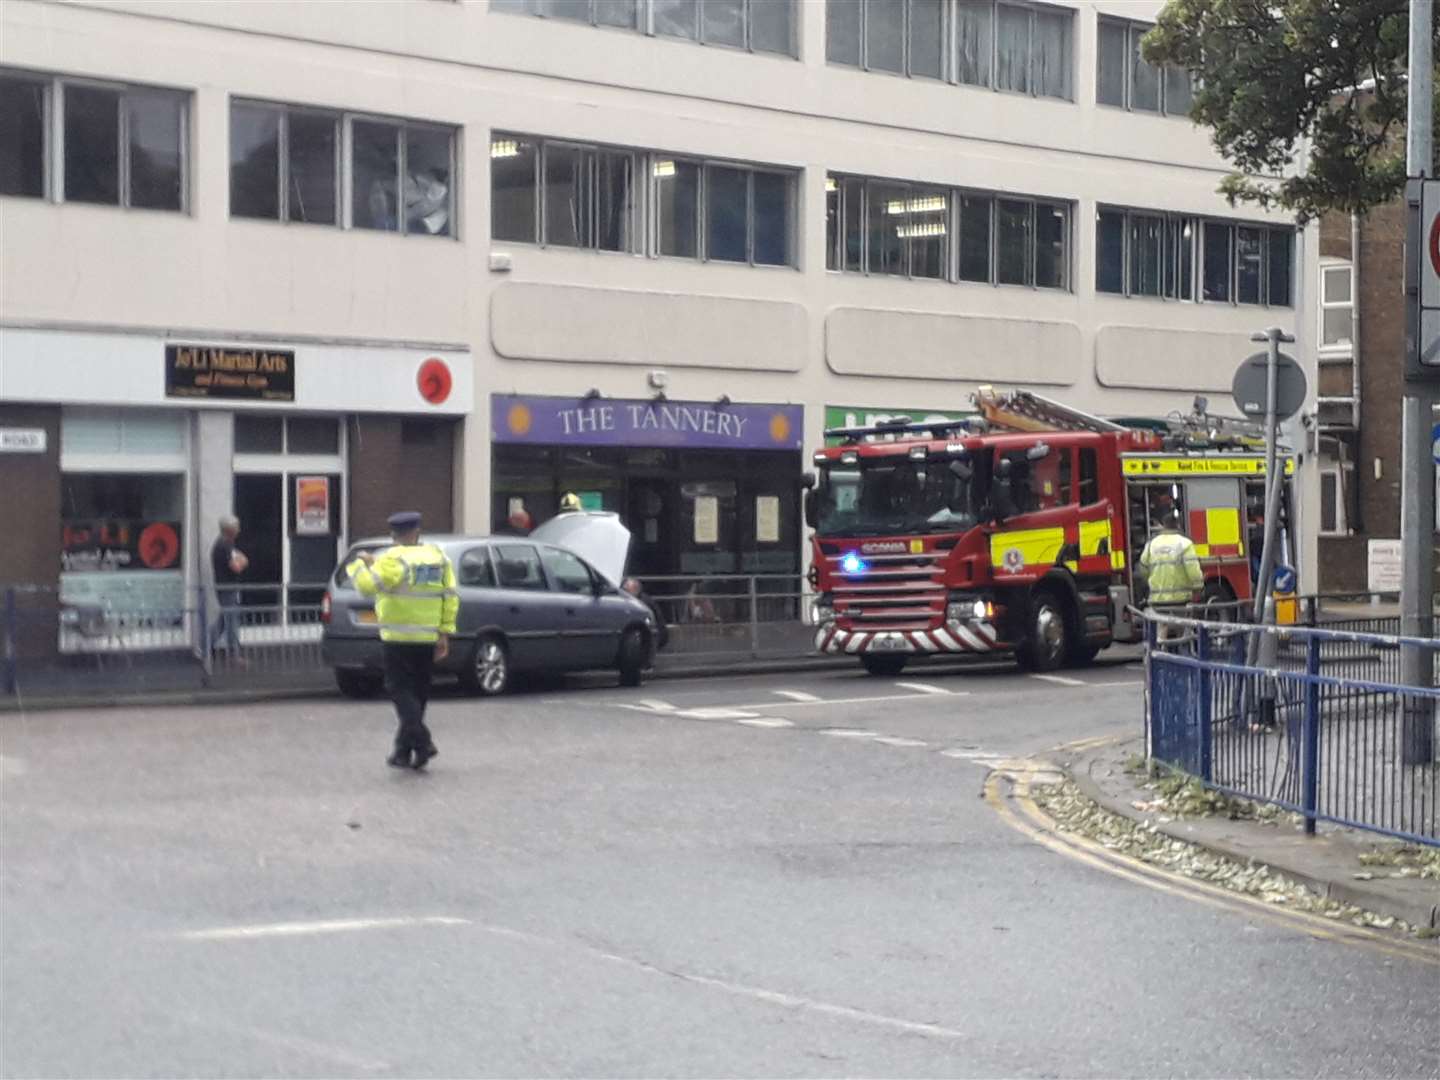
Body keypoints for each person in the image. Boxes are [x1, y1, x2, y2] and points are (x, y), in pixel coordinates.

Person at [346, 511, 458, 770]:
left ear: (393, 534)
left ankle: (423, 742)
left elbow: (366, 586)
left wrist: (360, 564)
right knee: (418, 694)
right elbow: (450, 596)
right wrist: (444, 632)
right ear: (417, 531)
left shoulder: (393, 558)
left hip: (398, 637)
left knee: (399, 690)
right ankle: (403, 753)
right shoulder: (437, 557)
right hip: (427, 636)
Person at [1138, 509, 1205, 640]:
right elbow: (1194, 572)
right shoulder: (1185, 544)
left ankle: (1160, 651)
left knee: (1162, 628)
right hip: (1180, 600)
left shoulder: (1152, 544)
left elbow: (1143, 568)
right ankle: (1181, 654)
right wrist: (1199, 588)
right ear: (1178, 525)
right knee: (1182, 631)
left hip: (1158, 601)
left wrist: (1151, 583)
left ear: (1163, 525)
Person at [208, 515, 249, 665]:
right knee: (231, 620)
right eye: (236, 527)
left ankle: (206, 644)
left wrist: (241, 560)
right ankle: (234, 654)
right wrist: (242, 561)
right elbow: (237, 566)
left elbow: (241, 559)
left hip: (227, 588)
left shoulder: (227, 545)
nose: (239, 530)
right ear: (229, 530)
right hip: (227, 588)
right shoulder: (224, 546)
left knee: (224, 621)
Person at [622, 577, 668, 652]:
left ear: (635, 589)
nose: (624, 593)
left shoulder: (643, 603)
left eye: (626, 590)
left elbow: (648, 623)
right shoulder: (635, 601)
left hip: (654, 635)